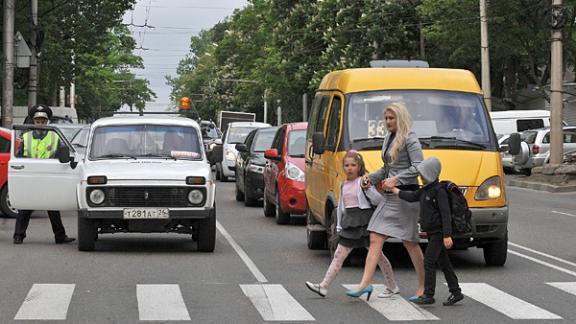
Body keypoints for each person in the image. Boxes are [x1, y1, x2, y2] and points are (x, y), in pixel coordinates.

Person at [346, 102, 425, 300]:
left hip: (406, 197)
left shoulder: (410, 139)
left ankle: (424, 286)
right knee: (375, 237)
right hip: (390, 197)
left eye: (392, 118)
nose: (388, 122)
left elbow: (419, 167)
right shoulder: (389, 138)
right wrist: (370, 177)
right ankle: (365, 284)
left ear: (401, 118)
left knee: (410, 243)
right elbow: (387, 168)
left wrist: (396, 179)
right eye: (386, 118)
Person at [305, 151, 398, 300]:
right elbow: (342, 206)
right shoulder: (343, 185)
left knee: (378, 256)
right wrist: (339, 226)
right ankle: (323, 286)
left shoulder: (364, 181)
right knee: (338, 255)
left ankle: (392, 286)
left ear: (359, 166)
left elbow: (378, 200)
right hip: (350, 223)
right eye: (347, 165)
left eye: (353, 165)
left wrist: (367, 188)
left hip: (366, 222)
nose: (349, 168)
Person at [390, 157, 464, 306]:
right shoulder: (425, 190)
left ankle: (428, 295)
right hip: (431, 233)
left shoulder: (439, 192)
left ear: (431, 173)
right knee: (444, 263)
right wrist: (394, 190)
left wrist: (447, 235)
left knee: (429, 262)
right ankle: (456, 292)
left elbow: (446, 214)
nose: (421, 177)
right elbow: (411, 197)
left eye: (423, 174)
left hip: (438, 233)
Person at [13, 104, 75, 245]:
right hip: (30, 176)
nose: (40, 123)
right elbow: (18, 156)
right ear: (33, 121)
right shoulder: (26, 137)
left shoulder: (55, 136)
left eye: (43, 121)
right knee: (25, 207)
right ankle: (18, 236)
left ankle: (60, 236)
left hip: (48, 176)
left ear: (47, 121)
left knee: (53, 207)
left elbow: (62, 155)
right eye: (37, 120)